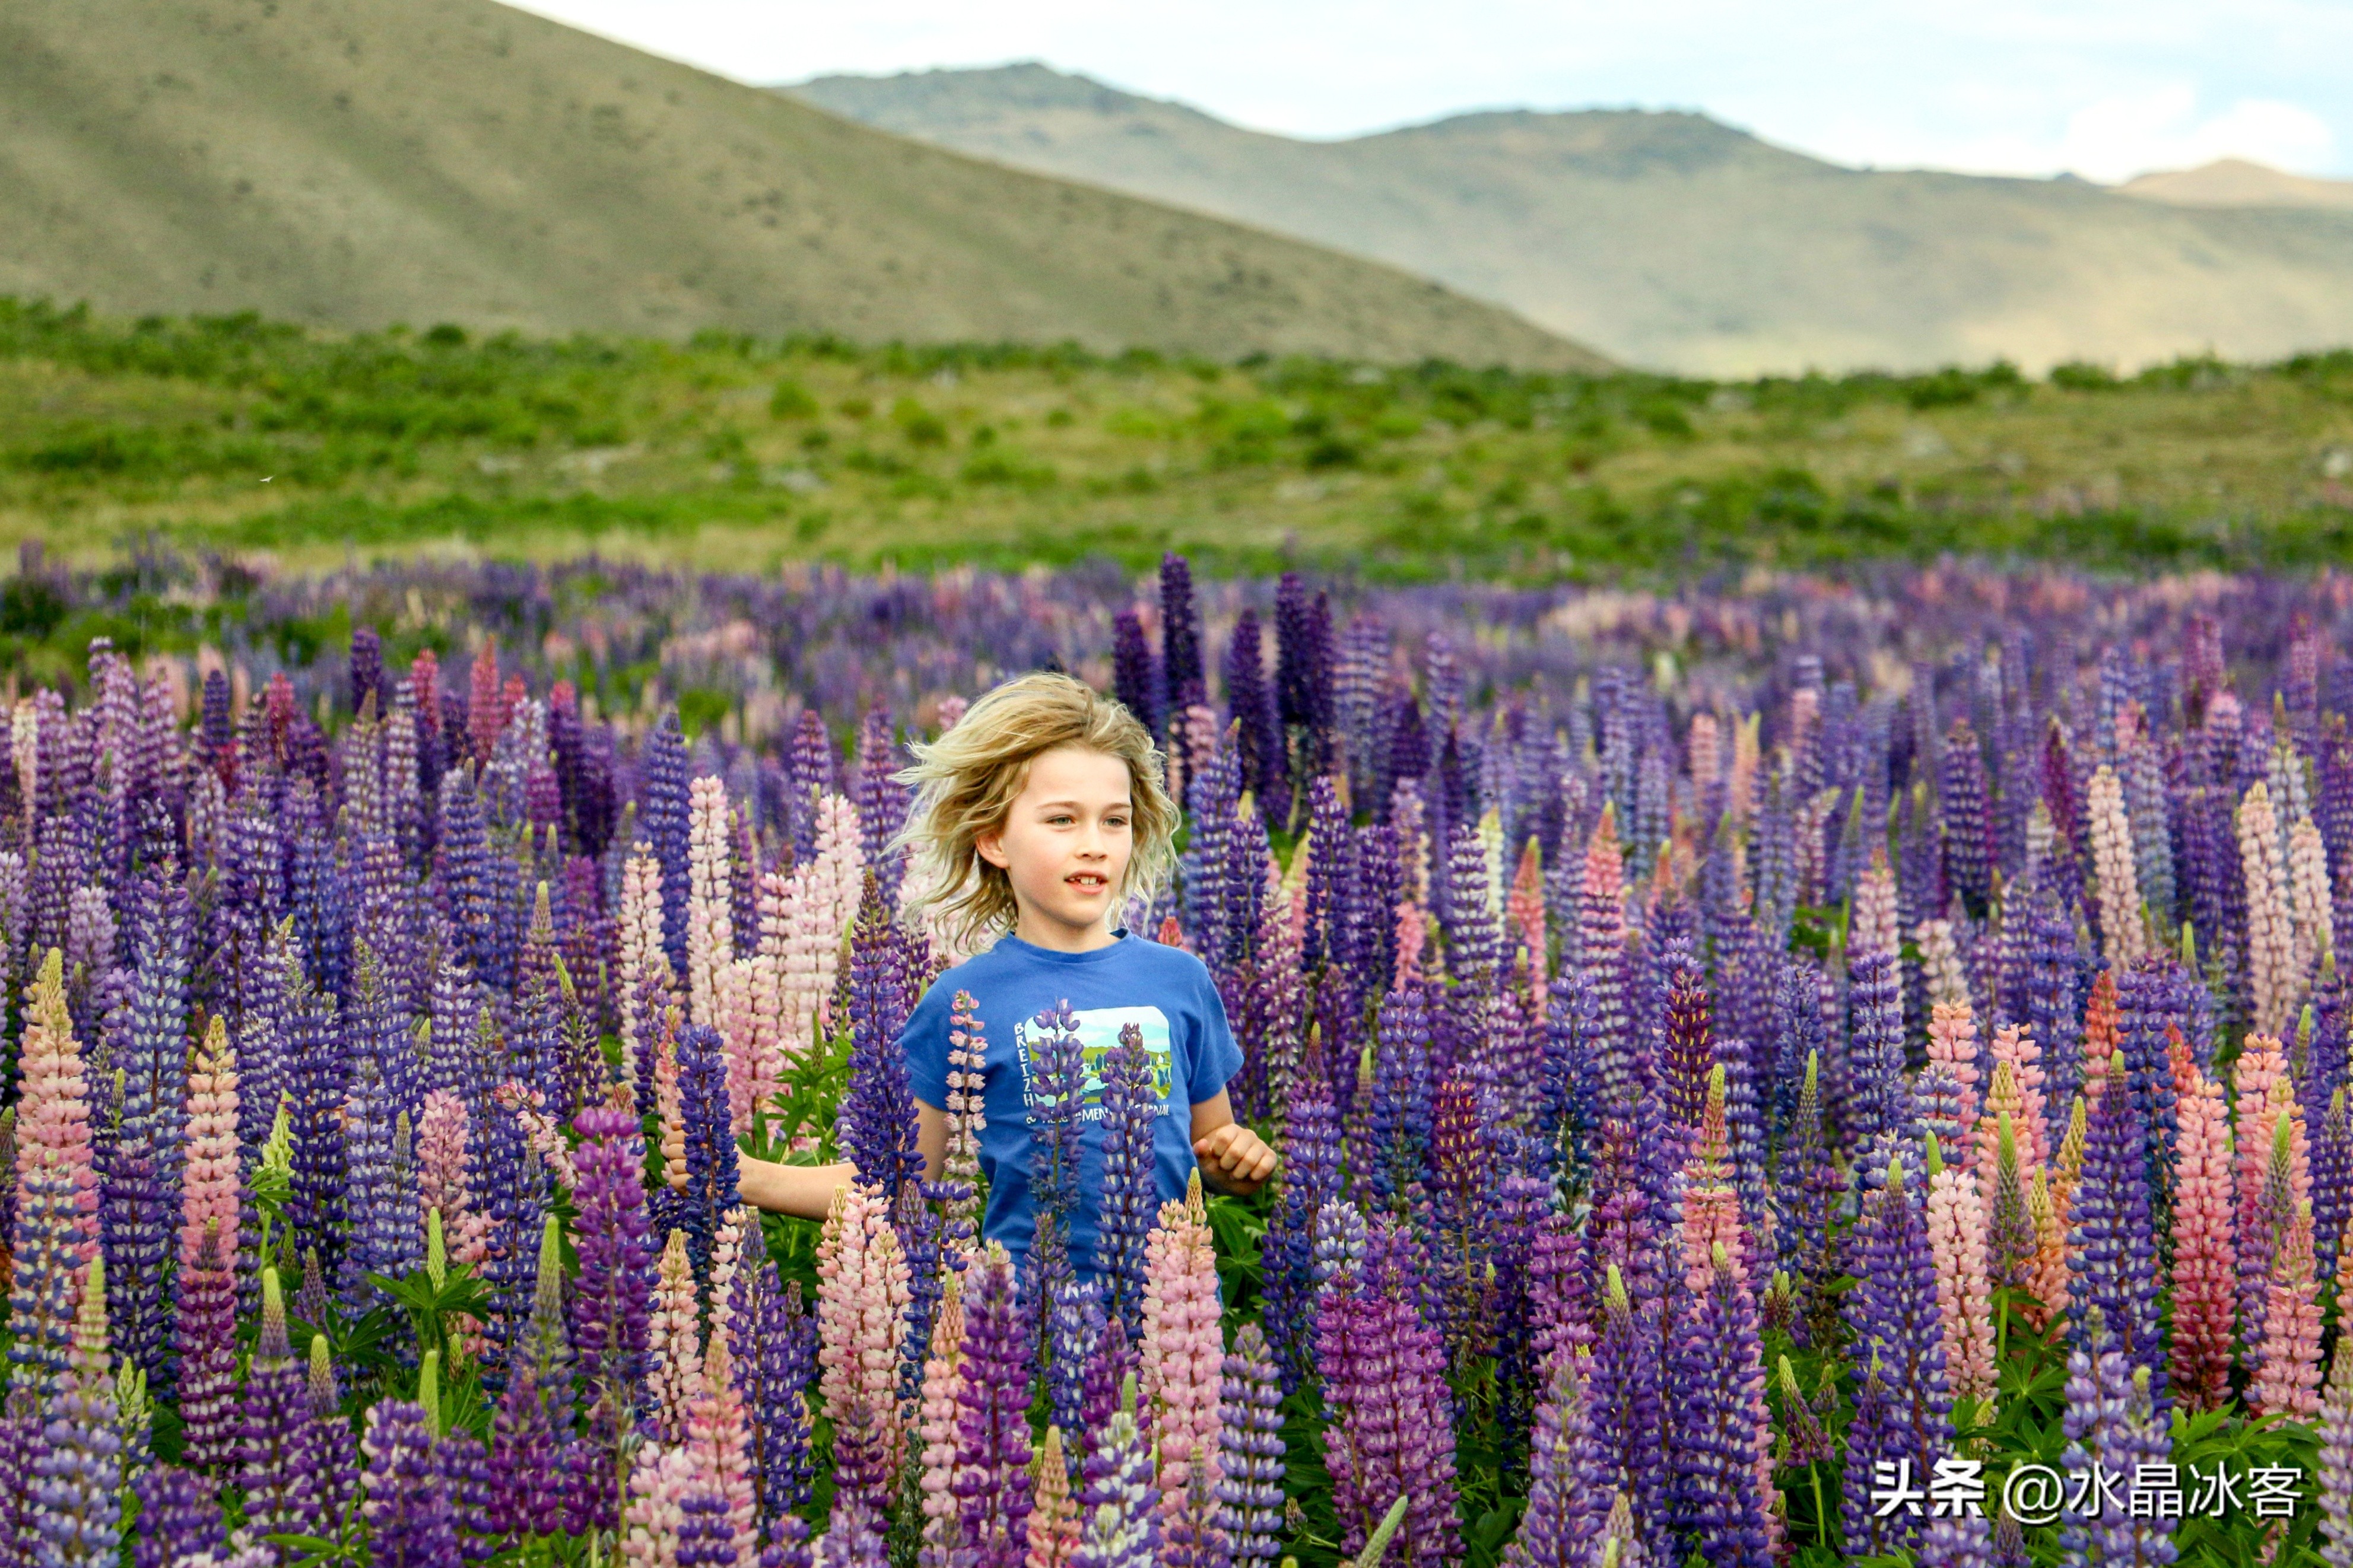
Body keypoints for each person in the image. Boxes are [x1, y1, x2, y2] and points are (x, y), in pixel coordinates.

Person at [700, 669, 1277, 1274]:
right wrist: (748, 1175)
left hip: (1173, 1308)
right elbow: (897, 1181)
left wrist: (1235, 1165)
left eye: (1114, 820)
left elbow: (1211, 1151)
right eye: (1062, 820)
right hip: (1023, 1314)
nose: (1094, 843)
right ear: (994, 840)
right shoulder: (963, 1000)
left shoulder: (1180, 980)